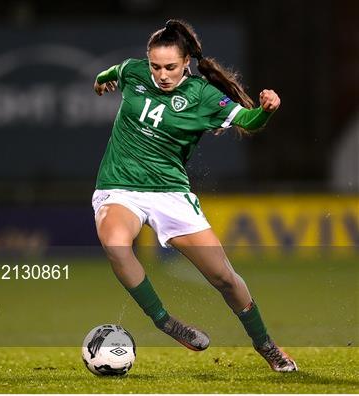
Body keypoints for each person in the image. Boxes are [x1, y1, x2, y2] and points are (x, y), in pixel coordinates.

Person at [91, 19, 297, 372]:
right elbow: (109, 72)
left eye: (170, 67)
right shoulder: (133, 72)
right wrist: (101, 81)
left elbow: (248, 121)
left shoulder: (202, 96)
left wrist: (265, 109)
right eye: (155, 66)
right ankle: (164, 321)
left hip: (170, 194)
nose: (162, 75)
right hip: (119, 187)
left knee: (224, 278)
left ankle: (266, 344)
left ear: (185, 62)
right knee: (116, 245)